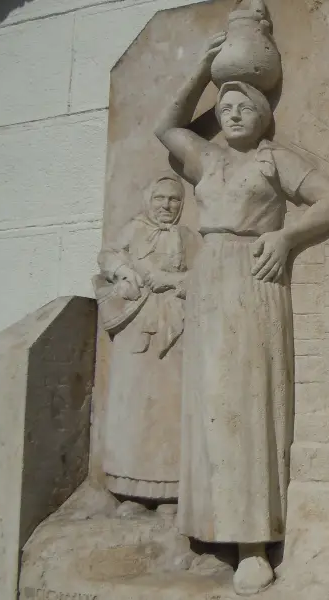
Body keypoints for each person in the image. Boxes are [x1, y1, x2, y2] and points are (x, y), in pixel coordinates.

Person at [153, 32, 329, 596]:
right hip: (209, 278)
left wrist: (286, 238)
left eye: (246, 108)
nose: (235, 115)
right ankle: (206, 527)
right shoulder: (205, 157)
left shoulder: (273, 159)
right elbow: (166, 126)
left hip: (253, 277)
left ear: (264, 118)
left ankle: (253, 545)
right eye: (228, 108)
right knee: (210, 404)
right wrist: (199, 66)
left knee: (248, 406)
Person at [95, 173, 199, 502]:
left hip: (176, 327)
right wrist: (126, 272)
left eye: (174, 200)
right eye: (161, 199)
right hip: (135, 330)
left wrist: (171, 279)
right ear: (149, 200)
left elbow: (203, 273)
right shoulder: (134, 229)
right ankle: (129, 490)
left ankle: (170, 492)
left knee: (170, 406)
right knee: (134, 404)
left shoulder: (188, 237)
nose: (167, 205)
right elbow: (109, 255)